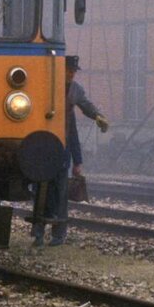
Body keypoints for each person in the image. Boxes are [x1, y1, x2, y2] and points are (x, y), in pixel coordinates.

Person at [33, 54, 109, 246]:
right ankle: (38, 232)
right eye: (69, 70)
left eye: (73, 71)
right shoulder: (46, 85)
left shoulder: (75, 91)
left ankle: (59, 234)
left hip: (62, 149)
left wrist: (98, 116)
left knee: (61, 192)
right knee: (42, 190)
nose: (71, 74)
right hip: (42, 145)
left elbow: (81, 114)